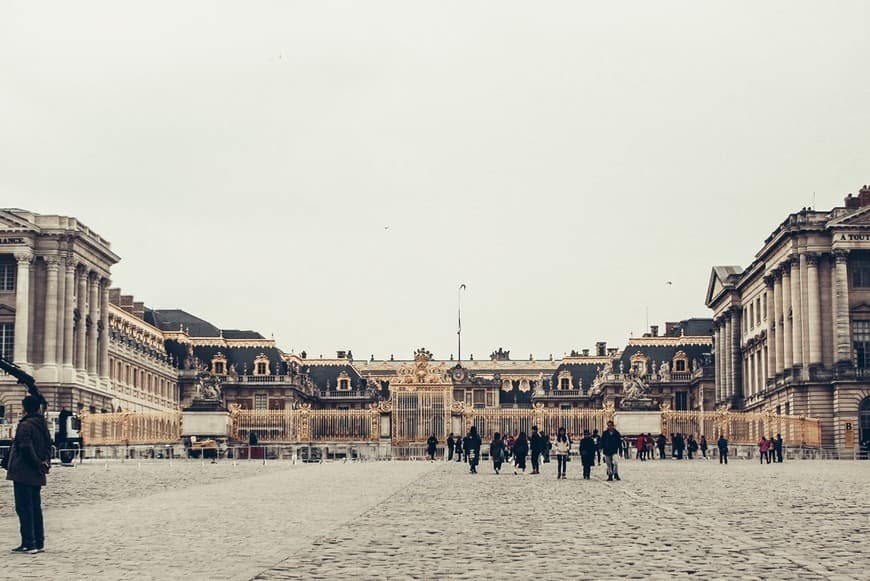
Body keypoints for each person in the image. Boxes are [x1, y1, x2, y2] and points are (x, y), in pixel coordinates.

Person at [3, 395, 52, 554]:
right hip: (36, 473)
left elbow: (25, 447)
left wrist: (36, 462)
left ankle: (28, 543)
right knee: (35, 508)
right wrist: (44, 463)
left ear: (25, 408)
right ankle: (38, 542)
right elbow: (47, 446)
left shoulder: (25, 425)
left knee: (24, 508)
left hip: (24, 472)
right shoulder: (42, 424)